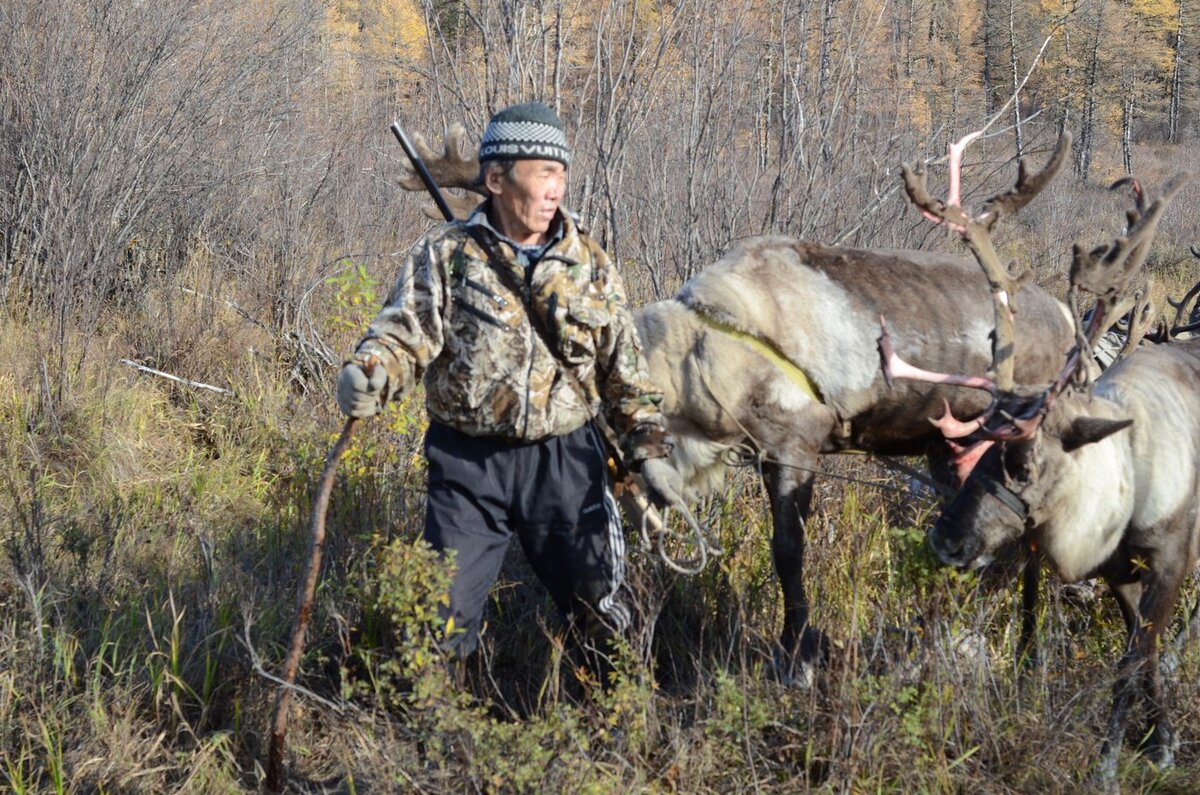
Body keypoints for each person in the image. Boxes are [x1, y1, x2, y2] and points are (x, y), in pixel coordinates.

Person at [336, 101, 681, 678]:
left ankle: (618, 739)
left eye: (561, 174)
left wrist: (649, 454)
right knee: (436, 624)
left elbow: (625, 371)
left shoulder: (590, 263)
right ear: (496, 179)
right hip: (468, 466)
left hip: (567, 463)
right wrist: (370, 370)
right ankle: (441, 746)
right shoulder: (447, 254)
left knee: (608, 617)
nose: (555, 188)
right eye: (542, 172)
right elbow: (405, 331)